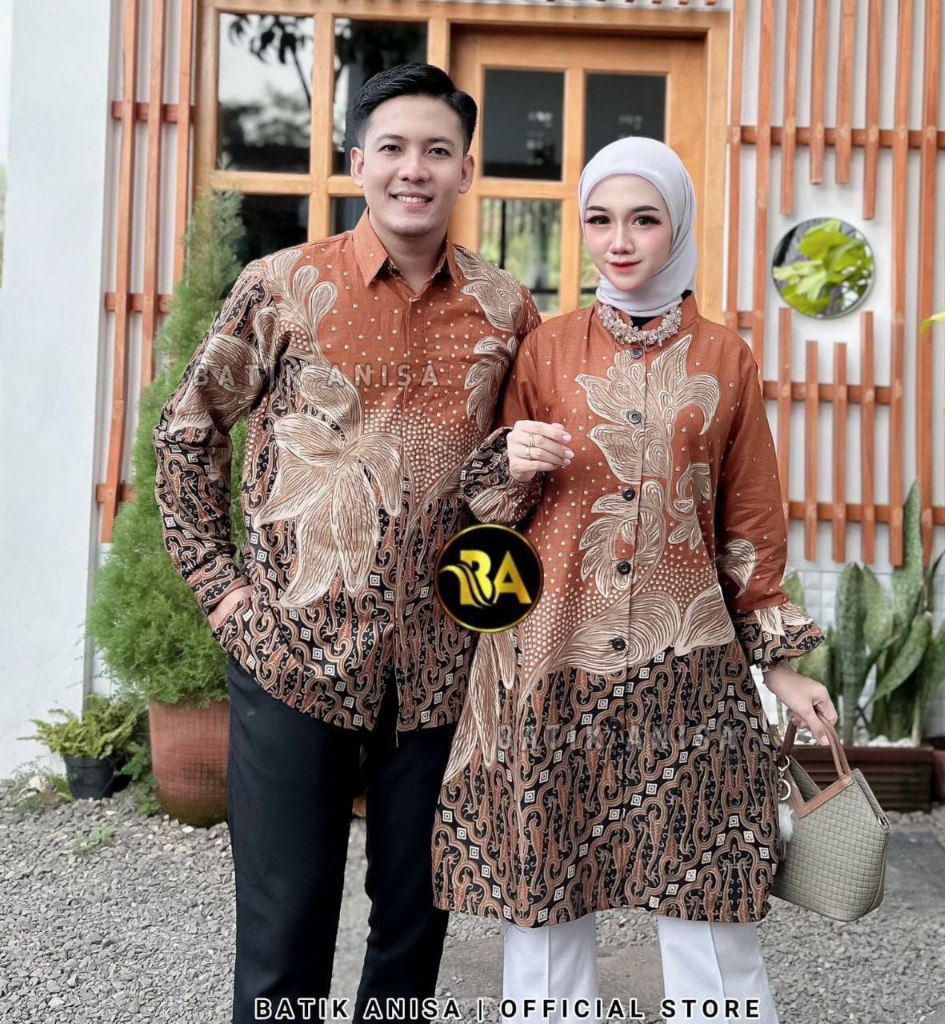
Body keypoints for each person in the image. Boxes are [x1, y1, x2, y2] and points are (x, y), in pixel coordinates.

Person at [153, 64, 539, 1024]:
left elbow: (505, 482)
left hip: (441, 668)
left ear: (465, 170)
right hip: (293, 657)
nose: (415, 169)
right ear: (358, 161)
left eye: (438, 151)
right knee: (285, 933)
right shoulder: (281, 286)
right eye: (394, 148)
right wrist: (225, 595)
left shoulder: (505, 310)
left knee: (413, 931)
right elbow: (188, 431)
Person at [433, 137, 837, 1024]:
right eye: (601, 219)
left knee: (709, 900)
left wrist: (780, 667)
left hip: (687, 669)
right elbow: (490, 520)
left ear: (677, 225)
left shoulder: (727, 360)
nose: (619, 240)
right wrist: (510, 461)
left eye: (644, 219)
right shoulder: (543, 351)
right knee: (545, 907)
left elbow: (748, 526)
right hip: (551, 660)